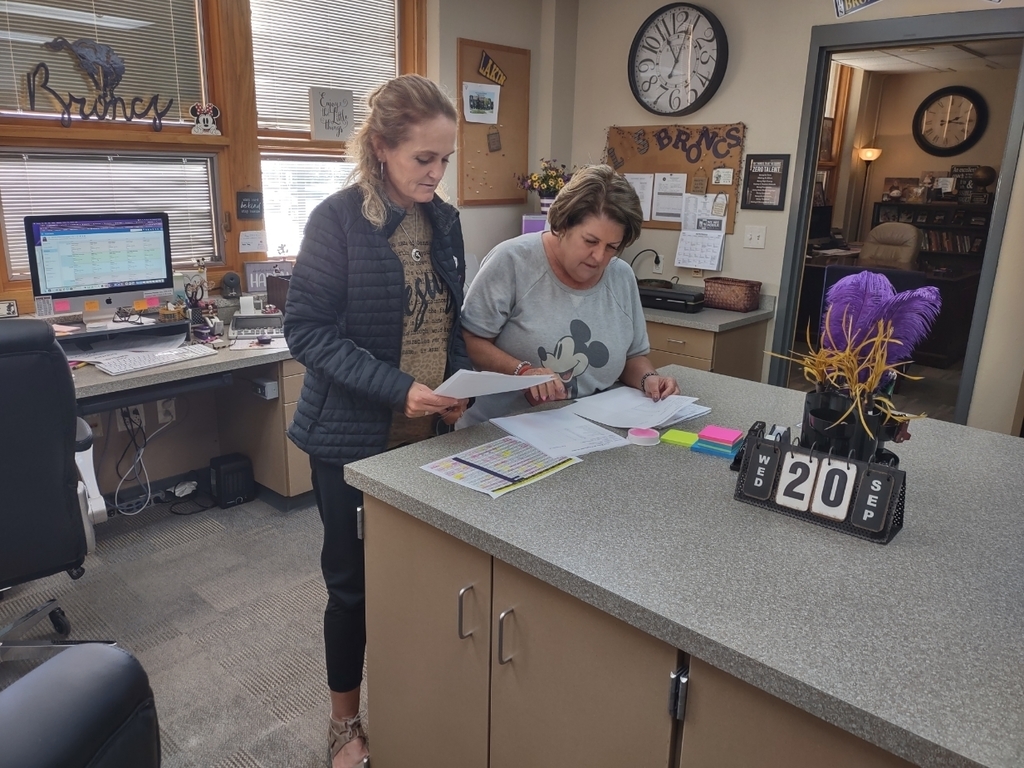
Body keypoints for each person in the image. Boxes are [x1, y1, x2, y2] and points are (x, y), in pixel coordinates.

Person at [283, 74, 471, 768]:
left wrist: (455, 385)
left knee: (421, 577)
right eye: (424, 157)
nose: (436, 171)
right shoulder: (336, 220)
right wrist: (399, 390)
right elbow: (307, 329)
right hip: (353, 440)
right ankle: (343, 722)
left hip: (429, 434)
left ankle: (416, 697)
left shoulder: (443, 220)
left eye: (445, 158)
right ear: (384, 146)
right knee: (352, 587)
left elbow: (451, 317)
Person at [459, 164, 680, 426]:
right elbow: (469, 340)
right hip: (502, 430)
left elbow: (632, 357)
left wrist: (649, 379)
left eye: (612, 247)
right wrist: (522, 371)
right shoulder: (512, 261)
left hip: (588, 430)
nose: (599, 257)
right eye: (590, 241)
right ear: (562, 225)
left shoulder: (621, 276)